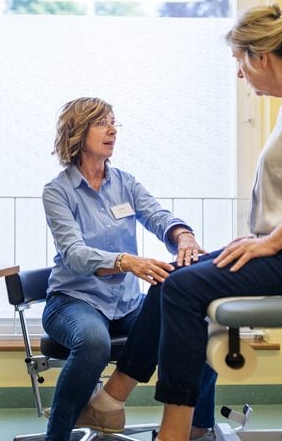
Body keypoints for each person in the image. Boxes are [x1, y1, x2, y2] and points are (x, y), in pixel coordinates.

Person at [76, 2, 282, 441]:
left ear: (262, 57)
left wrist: (271, 241)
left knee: (183, 289)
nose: (239, 73)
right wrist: (263, 236)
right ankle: (111, 400)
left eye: (240, 61)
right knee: (171, 276)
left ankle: (174, 432)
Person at [41, 97, 219, 441]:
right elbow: (74, 254)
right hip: (73, 301)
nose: (112, 131)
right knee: (94, 342)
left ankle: (198, 429)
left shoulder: (125, 183)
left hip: (126, 305)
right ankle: (59, 434)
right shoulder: (57, 191)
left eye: (114, 123)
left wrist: (183, 235)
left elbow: (157, 216)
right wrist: (125, 261)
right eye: (102, 123)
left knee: (196, 329)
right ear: (77, 132)